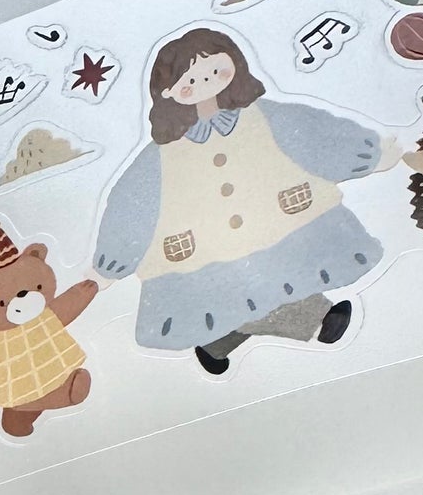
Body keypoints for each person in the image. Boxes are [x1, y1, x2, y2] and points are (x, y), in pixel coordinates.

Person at [93, 27, 395, 373]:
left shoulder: (266, 117)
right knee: (234, 288)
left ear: (233, 64)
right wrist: (112, 262)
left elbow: (313, 135)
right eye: (190, 80)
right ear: (168, 92)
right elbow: (132, 205)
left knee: (270, 277)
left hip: (282, 220)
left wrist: (366, 154)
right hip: (201, 249)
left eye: (214, 70)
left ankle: (218, 342)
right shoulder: (160, 156)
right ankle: (316, 318)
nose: (205, 82)